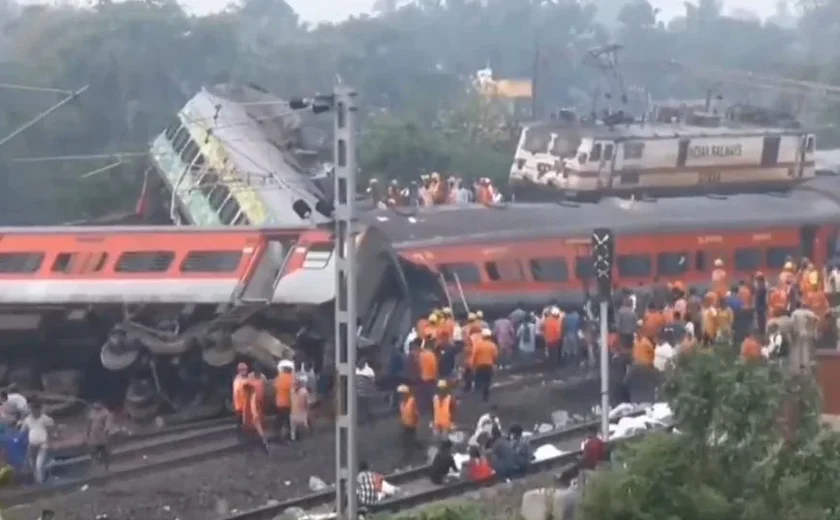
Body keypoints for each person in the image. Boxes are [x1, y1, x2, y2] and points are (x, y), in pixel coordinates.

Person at [21, 401, 53, 484]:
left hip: (43, 445)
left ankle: (41, 482)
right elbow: (22, 431)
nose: (35, 411)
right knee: (32, 465)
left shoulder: (45, 419)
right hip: (32, 445)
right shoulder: (27, 419)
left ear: (40, 409)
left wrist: (49, 442)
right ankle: (37, 481)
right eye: (33, 409)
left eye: (36, 409)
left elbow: (50, 432)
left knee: (39, 465)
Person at [470, 329, 499, 403]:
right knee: (487, 381)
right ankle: (485, 396)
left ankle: (476, 398)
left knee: (478, 381)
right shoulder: (492, 345)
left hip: (479, 366)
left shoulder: (478, 345)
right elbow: (495, 356)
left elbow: (474, 355)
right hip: (489, 366)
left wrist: (472, 365)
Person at [85, 402, 114, 471]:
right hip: (93, 437)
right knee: (93, 453)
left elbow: (108, 423)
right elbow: (89, 423)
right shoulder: (92, 412)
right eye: (95, 407)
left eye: (97, 407)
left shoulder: (105, 413)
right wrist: (87, 433)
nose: (96, 408)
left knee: (105, 454)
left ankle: (107, 468)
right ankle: (95, 468)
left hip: (103, 437)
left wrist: (106, 430)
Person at [397, 385, 421, 460]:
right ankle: (410, 451)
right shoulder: (402, 402)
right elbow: (402, 413)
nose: (400, 395)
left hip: (411, 424)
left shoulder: (411, 400)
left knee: (409, 439)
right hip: (405, 424)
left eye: (401, 393)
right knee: (406, 440)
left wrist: (417, 422)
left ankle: (410, 454)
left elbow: (416, 412)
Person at [274, 360, 294, 439]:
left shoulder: (278, 378)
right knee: (288, 419)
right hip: (288, 402)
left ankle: (277, 432)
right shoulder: (291, 378)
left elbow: (275, 389)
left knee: (281, 418)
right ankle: (289, 435)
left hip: (279, 402)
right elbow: (293, 391)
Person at [289, 377, 311, 441]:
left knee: (293, 429)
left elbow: (291, 401)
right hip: (302, 413)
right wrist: (308, 411)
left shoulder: (292, 390)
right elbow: (307, 403)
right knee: (306, 427)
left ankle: (293, 439)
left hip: (293, 414)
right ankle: (307, 438)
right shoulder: (304, 391)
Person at [232, 362, 249, 432]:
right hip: (240, 404)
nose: (244, 371)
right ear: (239, 370)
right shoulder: (238, 380)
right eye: (242, 370)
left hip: (243, 403)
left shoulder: (242, 379)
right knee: (240, 419)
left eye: (245, 370)